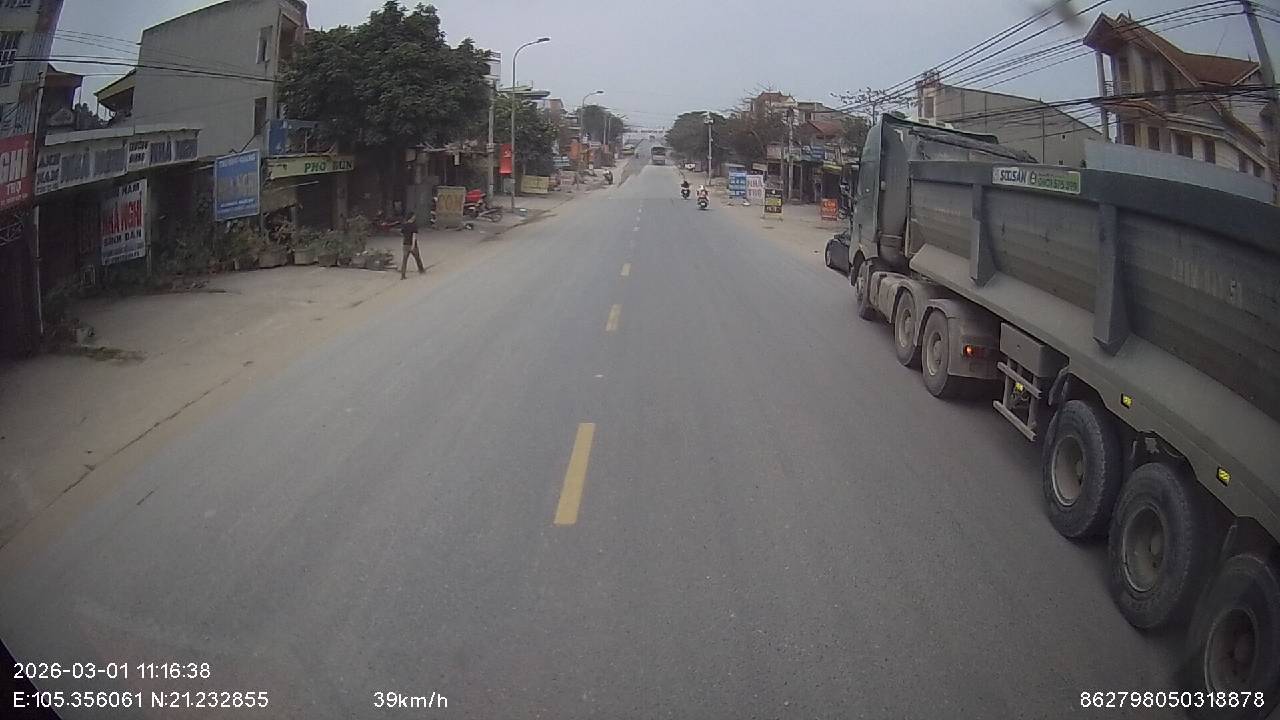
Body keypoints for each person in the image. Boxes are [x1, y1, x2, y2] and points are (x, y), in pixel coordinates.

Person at [399, 212, 425, 279]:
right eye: (414, 216)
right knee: (417, 257)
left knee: (404, 260)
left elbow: (402, 233)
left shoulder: (404, 225)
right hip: (412, 244)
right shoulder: (413, 225)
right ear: (412, 217)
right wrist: (413, 245)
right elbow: (414, 236)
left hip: (405, 244)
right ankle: (421, 270)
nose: (415, 217)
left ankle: (403, 274)